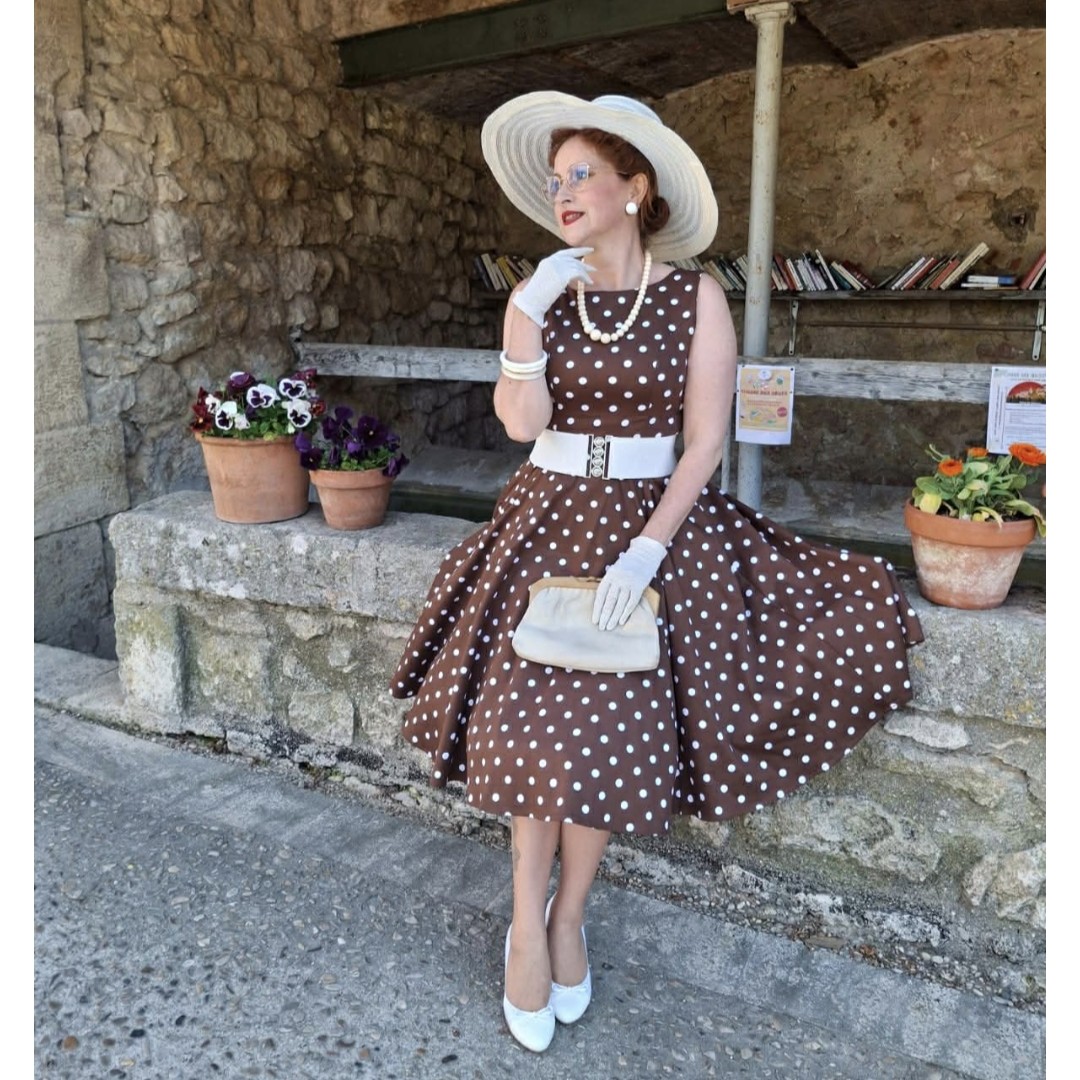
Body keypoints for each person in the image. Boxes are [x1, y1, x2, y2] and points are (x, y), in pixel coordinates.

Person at [389, 92, 923, 1053]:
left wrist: (650, 547)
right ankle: (523, 920)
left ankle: (567, 919)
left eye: (583, 173)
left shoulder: (693, 297)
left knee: (599, 741)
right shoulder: (547, 293)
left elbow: (704, 441)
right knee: (535, 735)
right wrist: (522, 315)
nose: (566, 194)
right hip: (545, 522)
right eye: (556, 181)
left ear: (637, 188)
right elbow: (520, 429)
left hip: (650, 529)